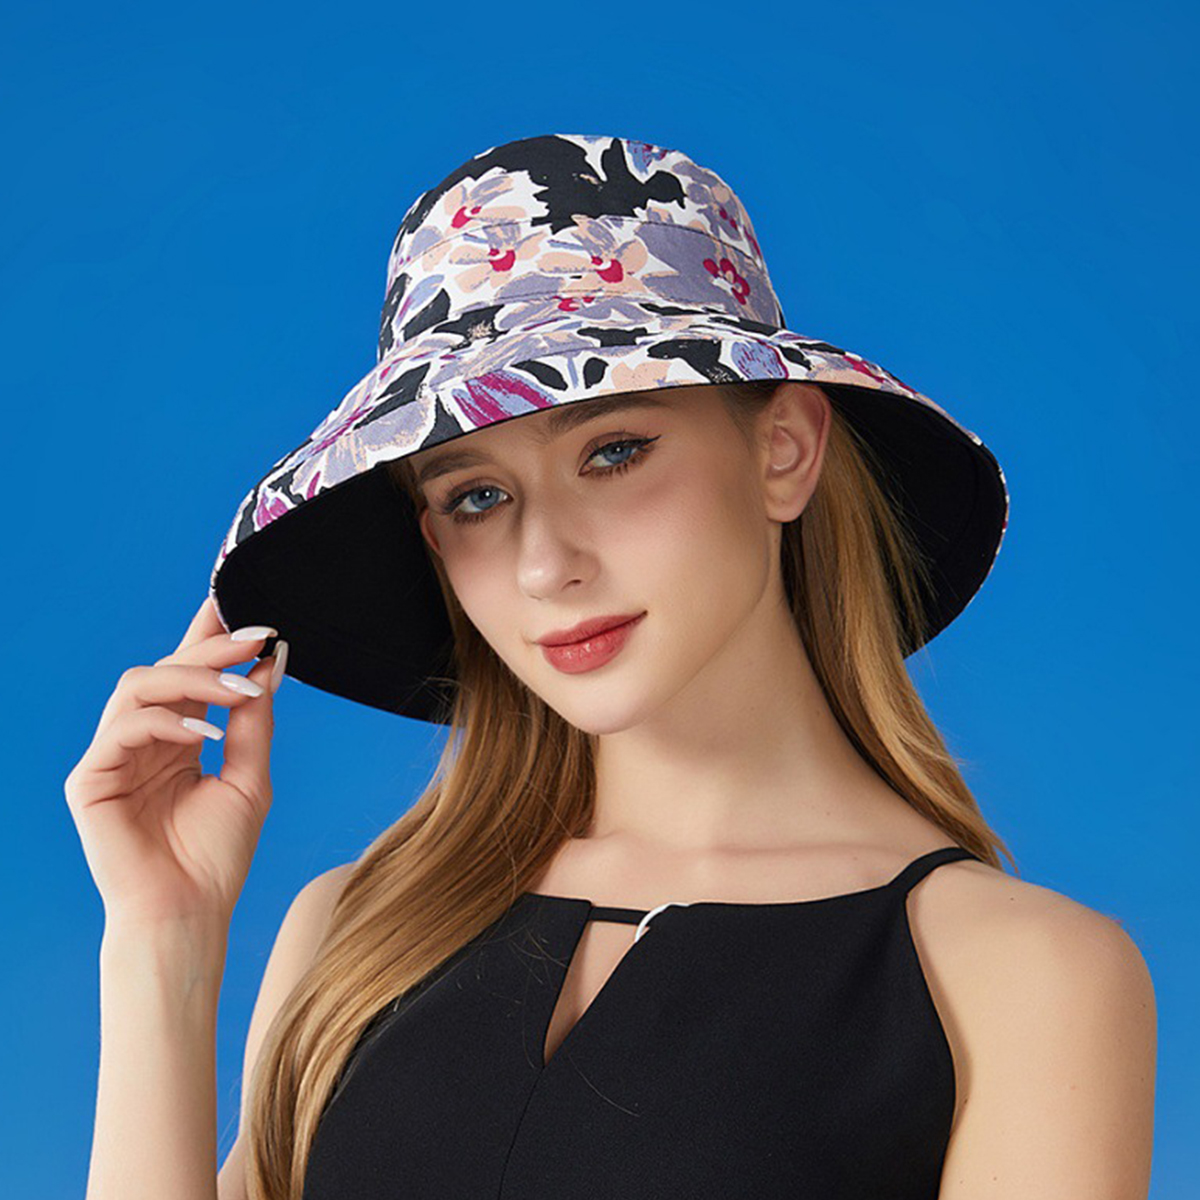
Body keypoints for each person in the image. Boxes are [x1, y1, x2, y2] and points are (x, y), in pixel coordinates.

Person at [67, 134, 1156, 1199]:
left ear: (784, 449)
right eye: (476, 497)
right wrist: (163, 940)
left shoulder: (1016, 979)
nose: (546, 566)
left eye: (615, 451)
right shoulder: (356, 932)